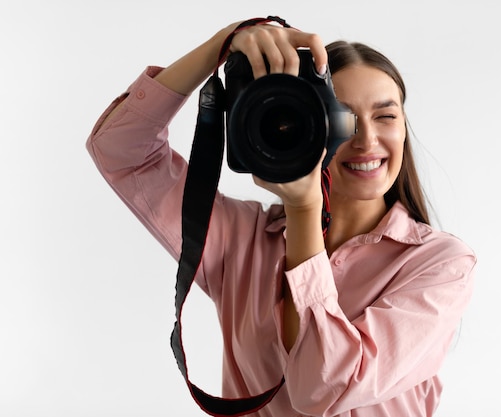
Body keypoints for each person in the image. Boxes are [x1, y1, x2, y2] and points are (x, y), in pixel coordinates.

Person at [86, 17, 476, 417]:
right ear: (307, 124)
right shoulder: (243, 239)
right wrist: (221, 46)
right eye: (341, 117)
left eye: (386, 116)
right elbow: (120, 150)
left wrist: (305, 211)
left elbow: (322, 389)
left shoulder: (441, 264)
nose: (367, 140)